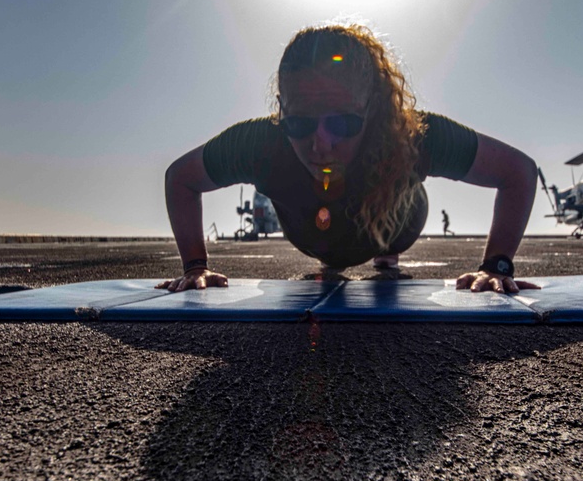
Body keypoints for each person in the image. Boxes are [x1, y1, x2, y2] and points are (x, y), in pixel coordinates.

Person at [158, 23, 538, 294]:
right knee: (329, 254)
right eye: (300, 124)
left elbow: (518, 171)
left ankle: (386, 255)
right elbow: (180, 178)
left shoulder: (410, 134)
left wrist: (496, 266)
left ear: (372, 110)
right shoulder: (259, 142)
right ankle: (333, 259)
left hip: (398, 227)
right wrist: (195, 267)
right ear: (281, 110)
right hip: (311, 237)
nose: (320, 144)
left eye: (342, 123)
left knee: (391, 236)